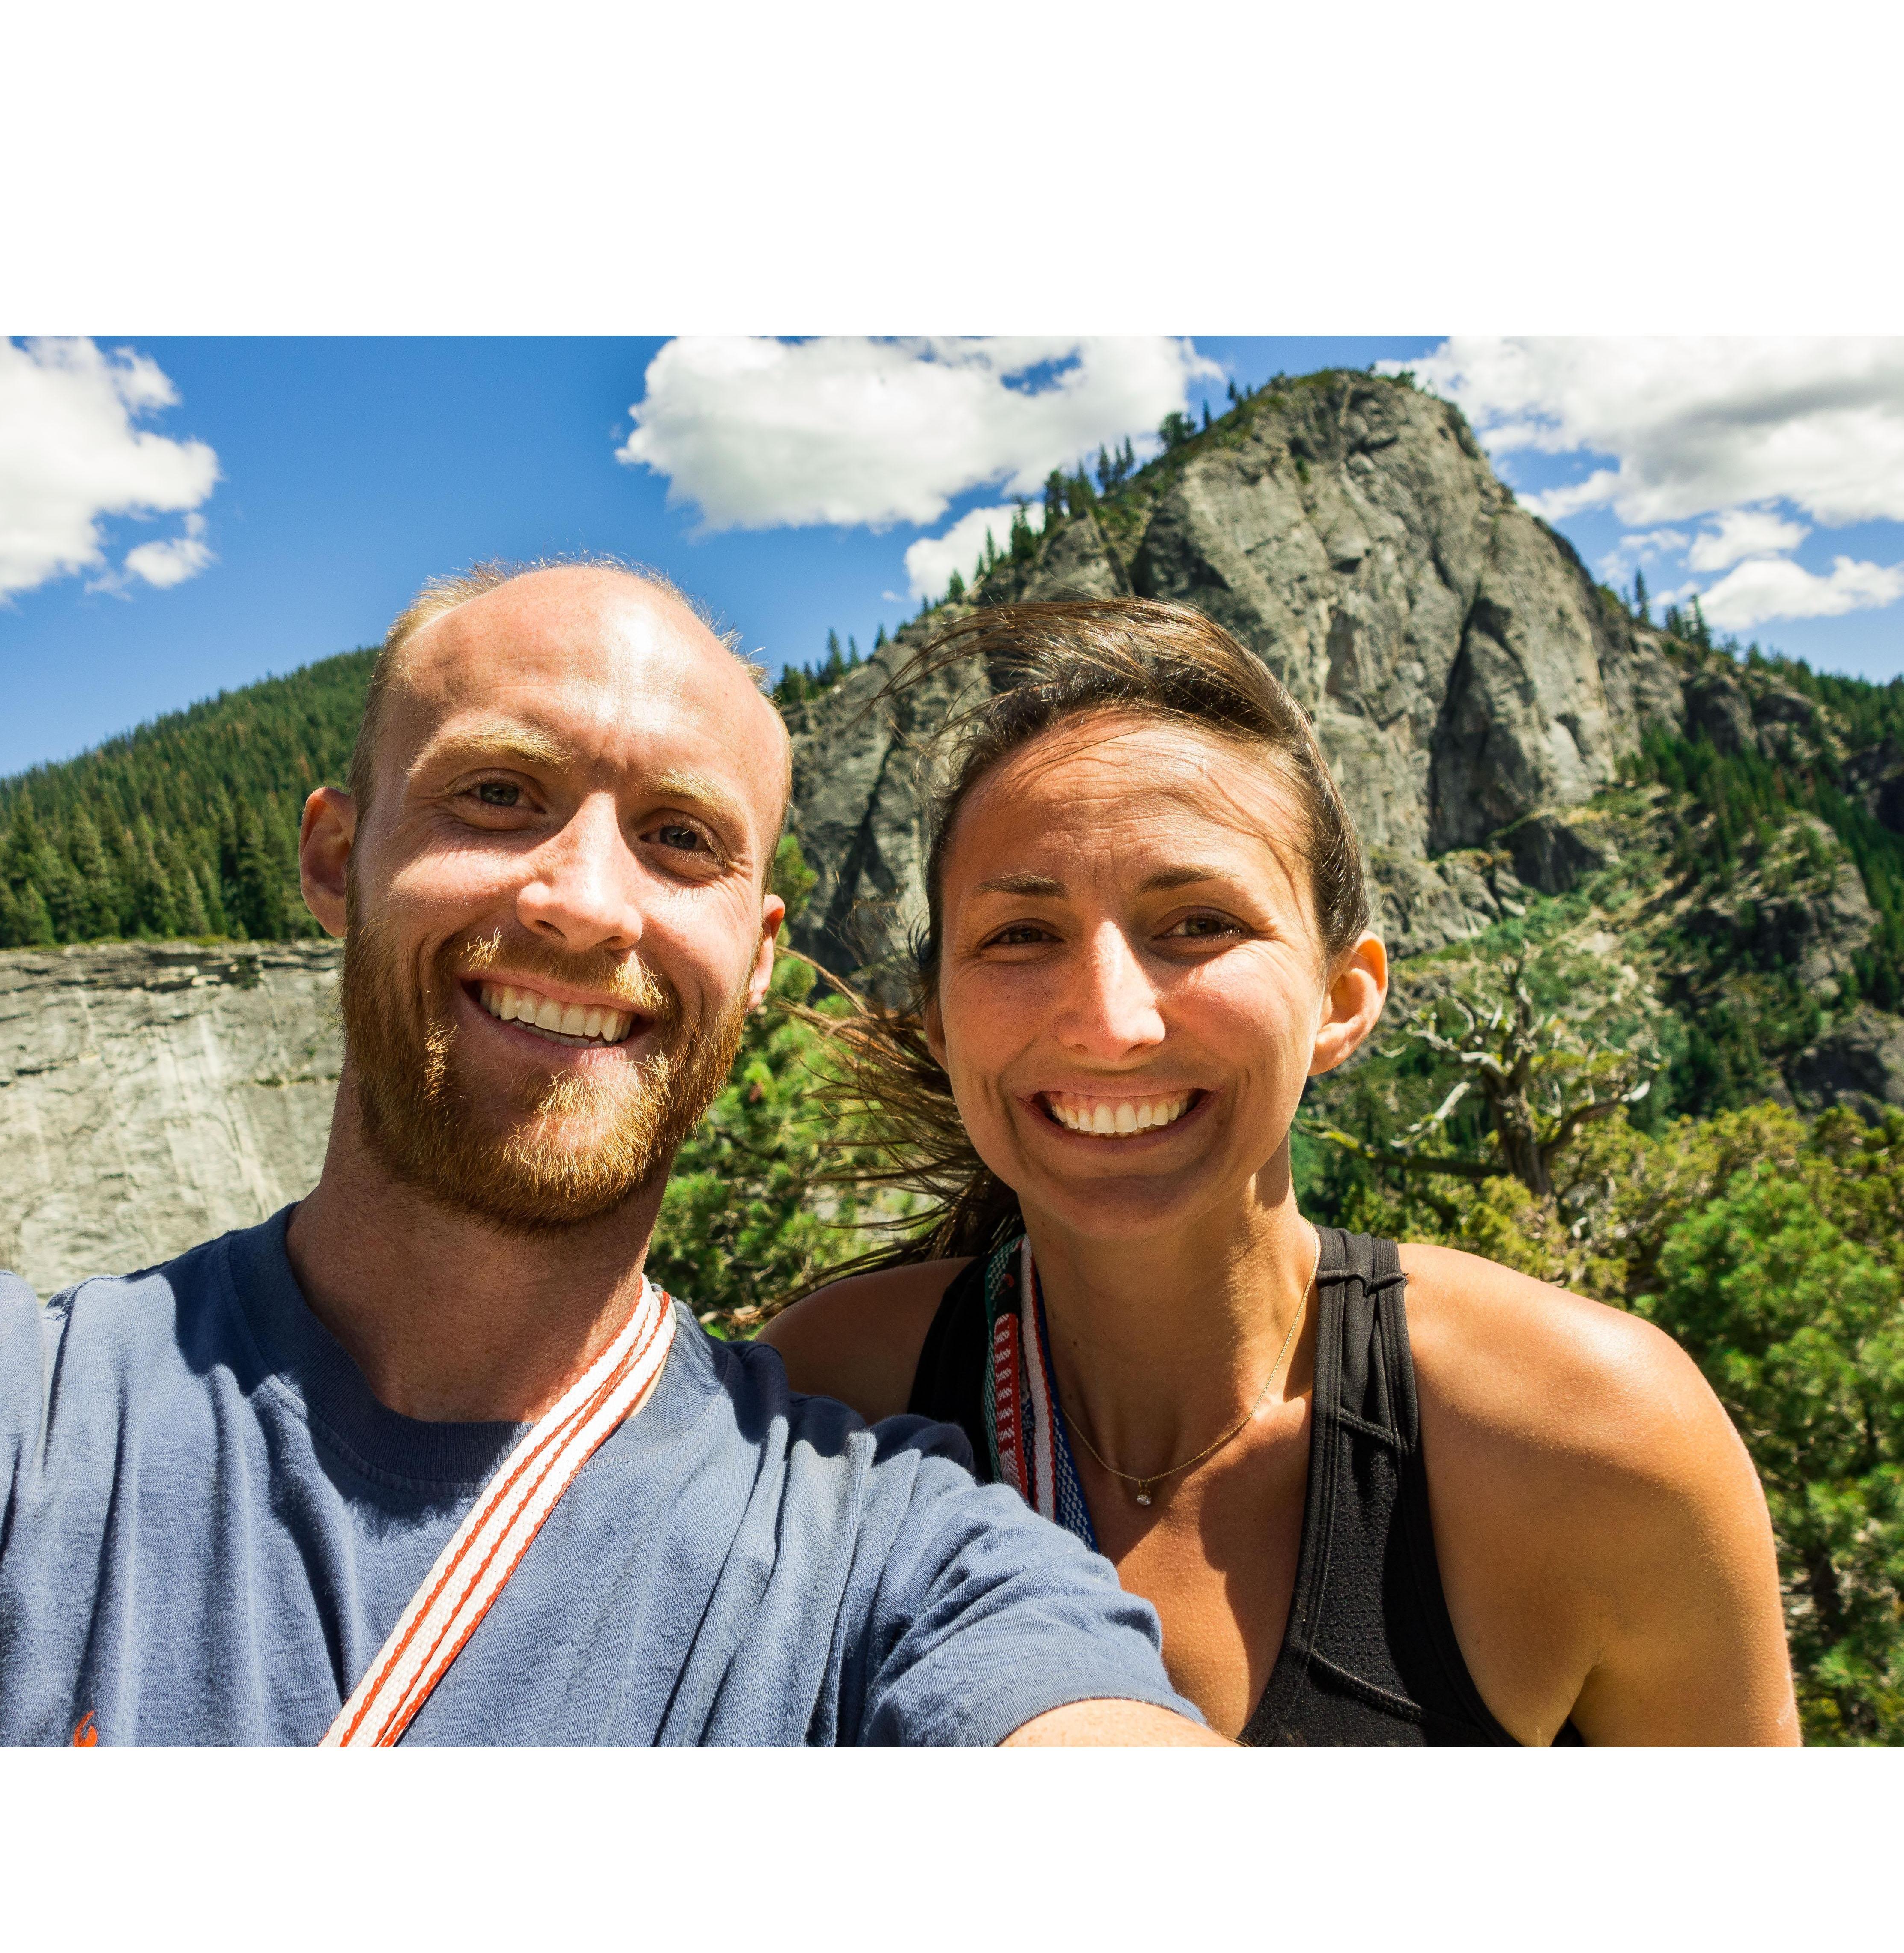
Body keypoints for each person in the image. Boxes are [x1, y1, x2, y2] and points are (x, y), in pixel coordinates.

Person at [0, 562, 1214, 1749]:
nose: (585, 905)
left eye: (681, 838)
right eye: (499, 796)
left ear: (759, 951)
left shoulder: (898, 1562)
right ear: (337, 858)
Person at [763, 599, 1799, 1746]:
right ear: (940, 1020)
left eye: (1198, 924)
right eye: (1020, 935)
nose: (1110, 1022)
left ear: (1341, 1000)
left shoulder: (1591, 1442)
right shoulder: (825, 1410)